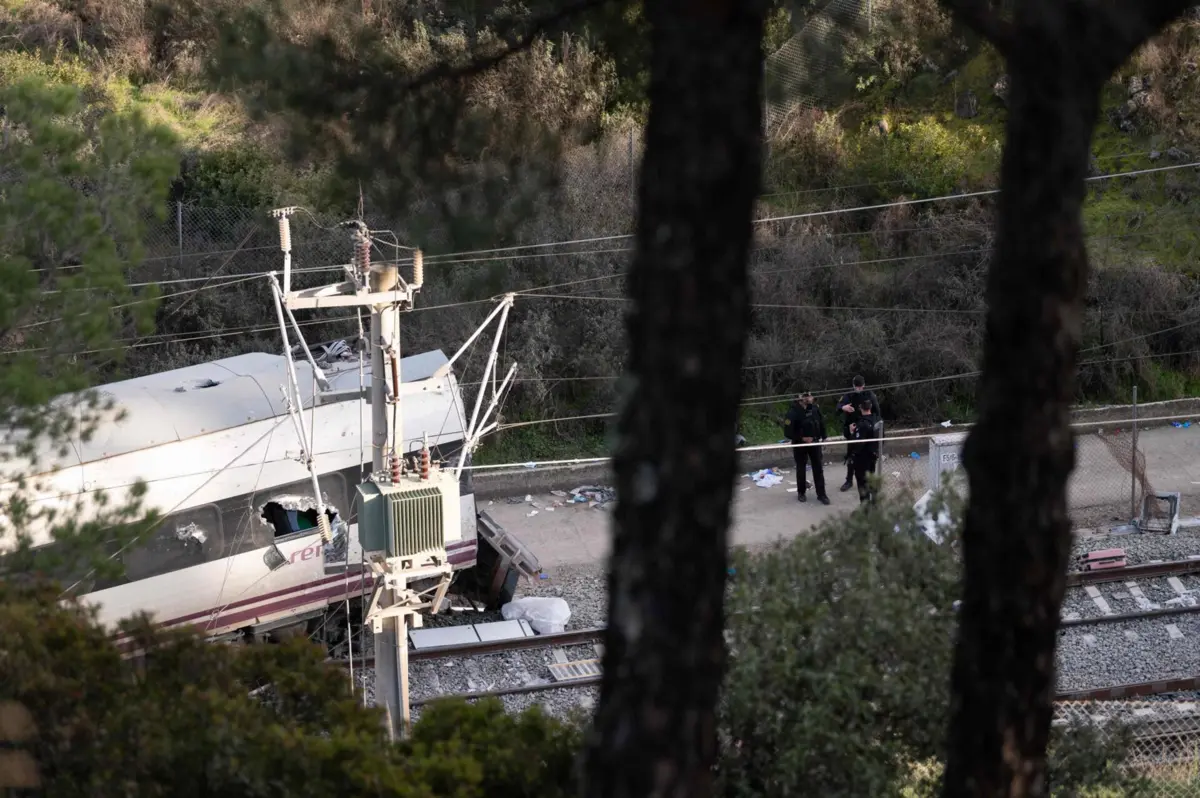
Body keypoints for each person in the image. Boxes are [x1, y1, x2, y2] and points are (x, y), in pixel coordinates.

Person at [782, 391, 830, 505]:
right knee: (801, 468)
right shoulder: (792, 412)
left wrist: (824, 437)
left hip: (814, 443)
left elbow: (821, 422)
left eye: (809, 395)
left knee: (818, 468)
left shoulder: (814, 409)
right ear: (799, 398)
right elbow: (787, 432)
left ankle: (821, 494)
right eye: (805, 395)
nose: (808, 397)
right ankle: (801, 492)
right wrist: (802, 438)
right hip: (800, 444)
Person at [836, 375, 880, 492]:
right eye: (857, 387)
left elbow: (877, 412)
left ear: (864, 386)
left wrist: (872, 424)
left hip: (867, 429)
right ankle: (849, 480)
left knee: (871, 455)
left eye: (860, 387)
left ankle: (871, 481)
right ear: (853, 386)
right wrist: (843, 407)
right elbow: (838, 407)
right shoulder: (849, 395)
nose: (859, 389)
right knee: (852, 455)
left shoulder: (869, 395)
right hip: (853, 429)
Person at [850, 398, 882, 504]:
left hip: (862, 459)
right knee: (871, 481)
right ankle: (875, 504)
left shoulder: (862, 424)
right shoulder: (877, 421)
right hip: (872, 456)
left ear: (860, 408)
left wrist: (852, 432)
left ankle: (865, 509)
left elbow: (858, 444)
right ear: (870, 407)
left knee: (862, 484)